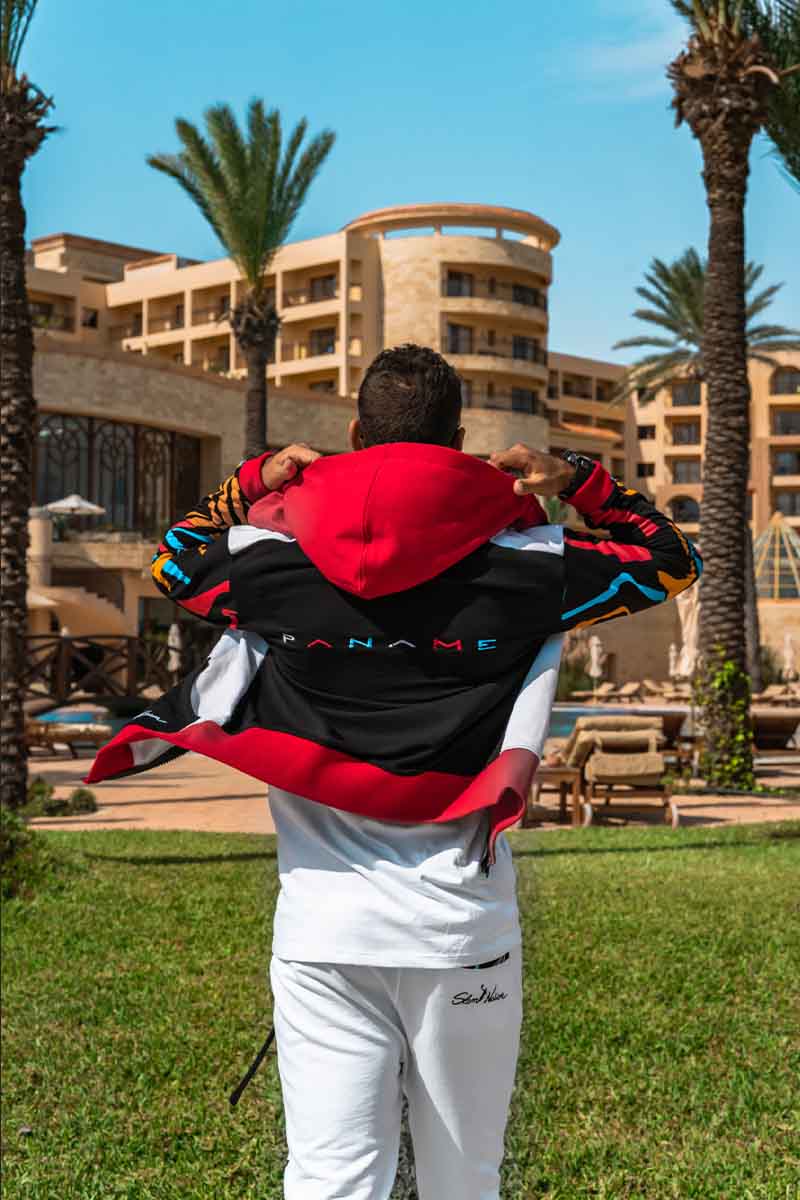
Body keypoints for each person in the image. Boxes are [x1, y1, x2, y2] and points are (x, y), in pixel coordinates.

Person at [88, 345, 701, 1200]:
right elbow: (671, 559)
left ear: (353, 435)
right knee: (463, 1180)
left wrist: (257, 478)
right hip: (462, 932)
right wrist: (576, 479)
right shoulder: (535, 568)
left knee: (330, 1178)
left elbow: (175, 557)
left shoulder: (268, 566)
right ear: (459, 441)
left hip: (322, 932)